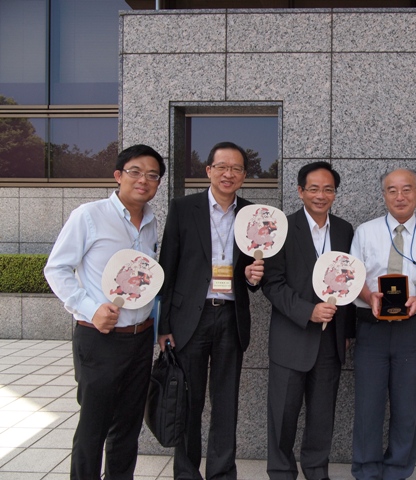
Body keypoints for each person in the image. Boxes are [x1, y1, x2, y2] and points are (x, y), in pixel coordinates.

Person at [44, 144, 166, 480]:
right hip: (99, 338)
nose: (143, 180)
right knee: (93, 428)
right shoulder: (89, 215)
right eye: (135, 172)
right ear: (118, 175)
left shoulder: (152, 223)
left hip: (140, 340)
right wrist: (91, 308)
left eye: (152, 175)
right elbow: (56, 268)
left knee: (127, 429)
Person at [157, 141, 264, 480]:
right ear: (208, 170)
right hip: (190, 317)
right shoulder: (182, 208)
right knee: (188, 400)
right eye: (222, 167)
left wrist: (252, 277)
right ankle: (186, 473)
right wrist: (163, 325)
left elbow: (254, 271)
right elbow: (167, 267)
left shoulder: (253, 215)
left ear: (244, 175)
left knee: (226, 401)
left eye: (236, 169)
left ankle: (222, 473)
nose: (228, 174)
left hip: (231, 316)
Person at [350, 168, 416, 480]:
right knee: (368, 404)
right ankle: (366, 469)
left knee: (406, 406)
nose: (400, 196)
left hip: (411, 328)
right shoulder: (365, 232)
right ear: (384, 195)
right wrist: (370, 296)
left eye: (407, 189)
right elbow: (353, 275)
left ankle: (397, 470)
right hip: (371, 326)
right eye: (392, 190)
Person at [262, 162, 356, 480]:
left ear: (335, 194)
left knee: (322, 415)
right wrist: (308, 311)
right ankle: (281, 472)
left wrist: (347, 332)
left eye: (328, 189)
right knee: (283, 415)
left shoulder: (344, 230)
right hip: (291, 336)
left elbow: (350, 283)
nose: (321, 195)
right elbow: (272, 283)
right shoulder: (283, 228)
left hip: (330, 340)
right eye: (313, 189)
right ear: (300, 191)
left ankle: (316, 471)